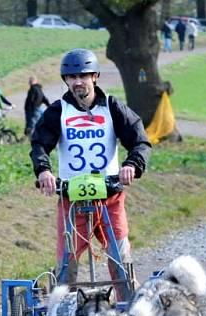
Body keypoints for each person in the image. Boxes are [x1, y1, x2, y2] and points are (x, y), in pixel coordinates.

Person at [29, 48, 151, 301]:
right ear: (66, 80)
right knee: (66, 268)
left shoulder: (112, 107)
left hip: (110, 197)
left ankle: (131, 315)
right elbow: (40, 144)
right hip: (71, 201)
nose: (77, 82)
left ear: (94, 76)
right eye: (71, 77)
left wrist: (131, 165)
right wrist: (44, 170)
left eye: (83, 76)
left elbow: (140, 141)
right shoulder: (58, 110)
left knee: (121, 263)